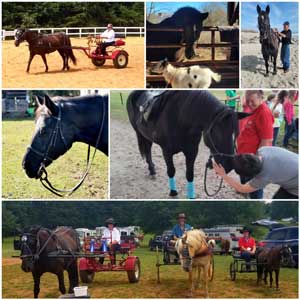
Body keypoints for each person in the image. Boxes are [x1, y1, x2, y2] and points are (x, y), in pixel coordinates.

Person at [213, 146, 298, 199]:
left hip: (296, 188)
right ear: (250, 154)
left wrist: (223, 175)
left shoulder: (264, 176)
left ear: (253, 175)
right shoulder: (263, 150)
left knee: (280, 202)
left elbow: (242, 189)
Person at [236, 90, 274, 199]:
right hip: (243, 157)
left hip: (252, 162)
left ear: (261, 98)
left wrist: (256, 162)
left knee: (255, 190)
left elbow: (266, 141)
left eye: (252, 101)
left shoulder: (264, 113)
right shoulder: (253, 109)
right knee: (245, 183)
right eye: (248, 100)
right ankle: (245, 195)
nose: (249, 103)